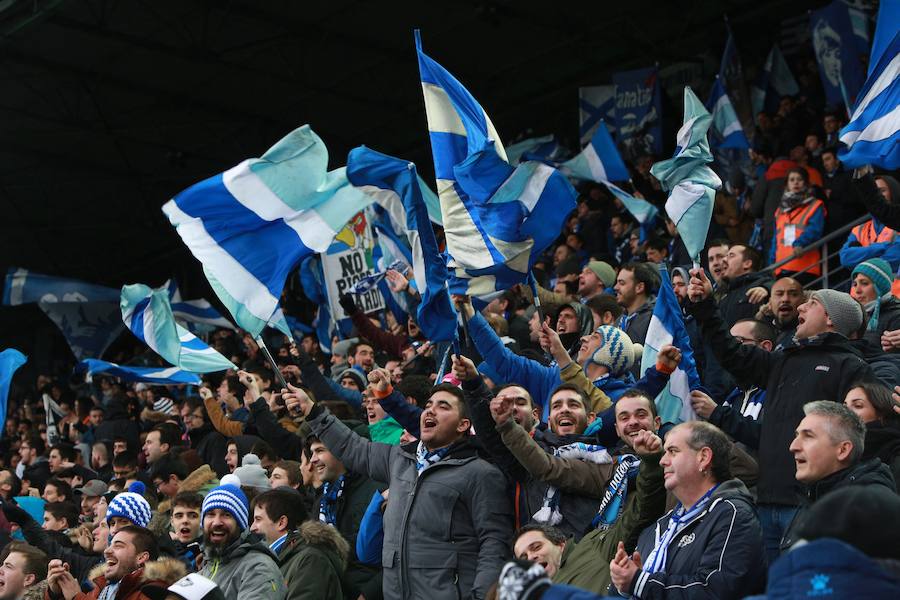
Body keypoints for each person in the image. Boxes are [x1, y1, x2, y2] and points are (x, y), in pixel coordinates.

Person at [687, 269, 875, 564]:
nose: (800, 306)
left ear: (830, 319)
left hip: (809, 503)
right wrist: (706, 306)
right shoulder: (783, 359)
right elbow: (732, 353)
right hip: (765, 499)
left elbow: (857, 437)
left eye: (811, 304)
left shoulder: (851, 367)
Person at [283, 375, 512, 600]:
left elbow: (494, 542)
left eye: (443, 407)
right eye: (428, 405)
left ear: (463, 425)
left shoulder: (481, 473)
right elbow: (352, 447)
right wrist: (313, 411)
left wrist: (483, 596)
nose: (430, 411)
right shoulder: (399, 459)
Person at [609, 421, 766, 599]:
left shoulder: (733, 515)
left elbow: (715, 590)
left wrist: (639, 582)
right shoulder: (659, 527)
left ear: (704, 457)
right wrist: (621, 581)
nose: (662, 461)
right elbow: (626, 587)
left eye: (673, 451)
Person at [507, 425, 666, 594]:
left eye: (536, 547)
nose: (531, 557)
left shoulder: (593, 547)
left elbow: (640, 514)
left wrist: (651, 462)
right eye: (524, 558)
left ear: (561, 545)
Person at [781, 401, 896, 550]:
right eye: (797, 435)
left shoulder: (870, 508)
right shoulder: (812, 497)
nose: (793, 446)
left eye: (808, 436)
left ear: (843, 450)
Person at [250, 489, 347, 600]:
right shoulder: (277, 557)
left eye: (258, 519)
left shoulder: (311, 560)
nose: (252, 527)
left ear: (281, 523)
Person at [45, 526, 185, 600]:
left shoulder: (154, 592)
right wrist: (56, 594)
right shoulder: (100, 589)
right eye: (109, 545)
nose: (107, 551)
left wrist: (77, 597)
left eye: (118, 546)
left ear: (141, 558)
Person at [197, 484, 286, 600]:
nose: (216, 522)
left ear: (240, 524)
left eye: (226, 515)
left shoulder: (258, 568)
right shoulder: (207, 567)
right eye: (210, 514)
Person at [770, 168, 826, 284]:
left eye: (799, 180)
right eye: (792, 180)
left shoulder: (815, 205)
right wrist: (771, 263)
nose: (796, 182)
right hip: (781, 267)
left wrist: (800, 243)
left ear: (806, 183)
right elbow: (775, 239)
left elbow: (814, 231)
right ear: (787, 184)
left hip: (804, 267)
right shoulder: (780, 211)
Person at [839, 175, 900, 271]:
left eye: (882, 190)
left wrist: (861, 256)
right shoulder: (858, 230)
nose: (877, 195)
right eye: (874, 192)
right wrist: (883, 247)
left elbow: (895, 258)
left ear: (894, 192)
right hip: (860, 285)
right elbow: (845, 258)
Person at [843, 381, 900, 482]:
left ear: (881, 414)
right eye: (844, 407)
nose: (846, 412)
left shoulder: (895, 455)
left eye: (858, 405)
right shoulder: (837, 454)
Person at [716, 245, 771, 329]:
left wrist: (767, 288)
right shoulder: (725, 295)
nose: (723, 260)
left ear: (747, 263)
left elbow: (781, 287)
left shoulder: (762, 284)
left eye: (731, 255)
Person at [850, 258, 900, 349]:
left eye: (864, 283)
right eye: (855, 284)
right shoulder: (857, 316)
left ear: (881, 287)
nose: (857, 290)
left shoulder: (897, 316)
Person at [615, 262, 658, 351]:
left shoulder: (653, 319)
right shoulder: (620, 320)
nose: (616, 287)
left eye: (622, 283)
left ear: (639, 287)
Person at [756, 277, 804, 348]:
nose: (785, 299)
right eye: (779, 294)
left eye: (793, 294)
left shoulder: (811, 334)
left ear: (803, 300)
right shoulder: (758, 332)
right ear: (770, 302)